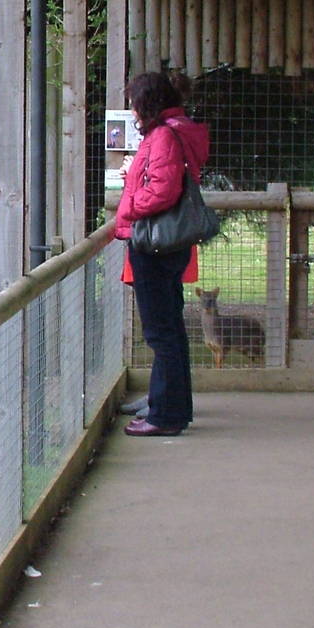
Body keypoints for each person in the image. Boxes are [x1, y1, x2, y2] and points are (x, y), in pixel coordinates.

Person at [113, 72, 210, 437]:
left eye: (134, 103)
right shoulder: (171, 131)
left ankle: (166, 415)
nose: (132, 111)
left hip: (154, 245)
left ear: (148, 103)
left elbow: (163, 190)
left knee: (160, 332)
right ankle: (169, 405)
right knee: (169, 328)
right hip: (166, 244)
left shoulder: (164, 135)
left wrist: (128, 209)